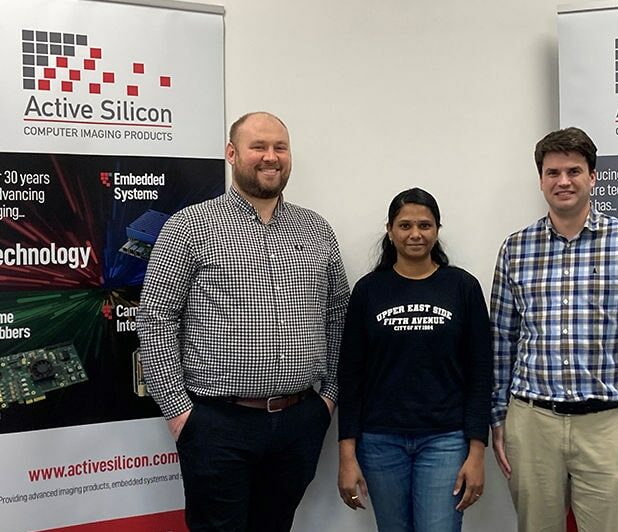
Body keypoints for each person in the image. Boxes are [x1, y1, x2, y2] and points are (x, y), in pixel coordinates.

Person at [137, 112, 350, 532]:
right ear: (232, 154)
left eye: (280, 148)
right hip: (216, 425)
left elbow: (337, 312)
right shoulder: (189, 227)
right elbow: (156, 316)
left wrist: (327, 398)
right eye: (259, 147)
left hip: (299, 421)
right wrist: (181, 413)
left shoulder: (316, 230)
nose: (271, 157)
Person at [490, 127, 618, 532]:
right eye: (553, 172)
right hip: (532, 420)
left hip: (607, 425)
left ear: (593, 176)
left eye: (574, 171)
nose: (564, 181)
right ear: (541, 180)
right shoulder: (515, 248)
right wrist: (499, 418)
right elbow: (501, 341)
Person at [337, 187, 492, 532]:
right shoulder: (368, 291)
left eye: (425, 225)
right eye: (405, 225)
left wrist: (477, 450)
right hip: (379, 441)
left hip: (446, 441)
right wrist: (346, 455)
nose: (415, 234)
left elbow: (481, 375)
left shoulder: (462, 288)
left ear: (437, 229)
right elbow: (350, 376)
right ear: (390, 231)